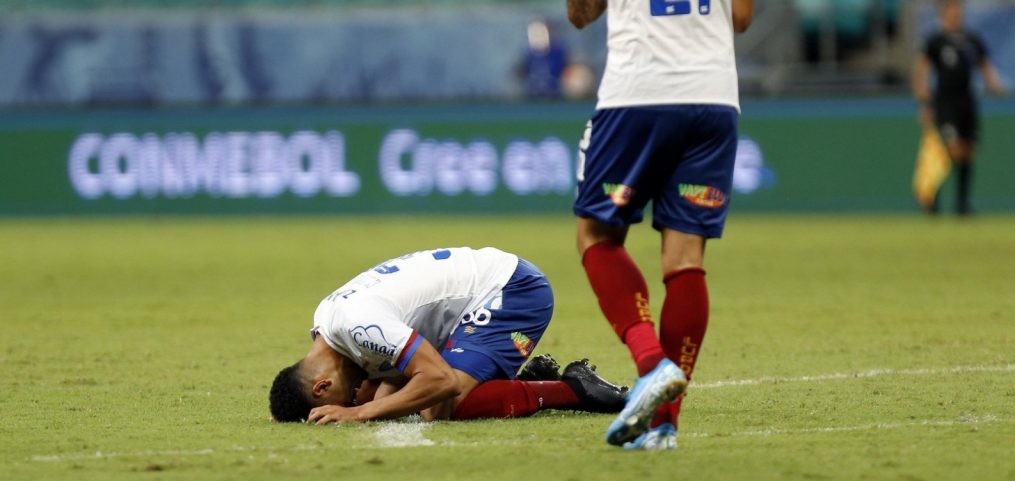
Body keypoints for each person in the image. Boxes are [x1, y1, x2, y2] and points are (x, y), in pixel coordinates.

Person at [566, 0, 754, 450]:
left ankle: (652, 364)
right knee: (685, 257)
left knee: (596, 234)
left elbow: (581, 14)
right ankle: (662, 426)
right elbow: (741, 19)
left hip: (638, 93)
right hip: (714, 98)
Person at [268, 247, 627, 424]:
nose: (348, 403)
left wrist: (359, 414)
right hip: (475, 296)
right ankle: (520, 378)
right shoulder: (327, 320)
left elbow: (439, 381)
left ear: (322, 387)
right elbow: (393, 375)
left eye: (339, 401)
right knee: (394, 394)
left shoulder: (358, 325)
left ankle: (577, 389)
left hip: (510, 289)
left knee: (441, 405)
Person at [912, 0, 1002, 216]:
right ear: (943, 13)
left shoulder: (971, 39)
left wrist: (993, 83)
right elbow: (921, 69)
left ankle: (962, 204)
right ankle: (931, 197)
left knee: (966, 152)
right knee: (950, 149)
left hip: (967, 101)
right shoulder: (935, 41)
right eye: (951, 9)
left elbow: (984, 64)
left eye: (958, 9)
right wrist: (924, 100)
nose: (956, 13)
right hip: (945, 101)